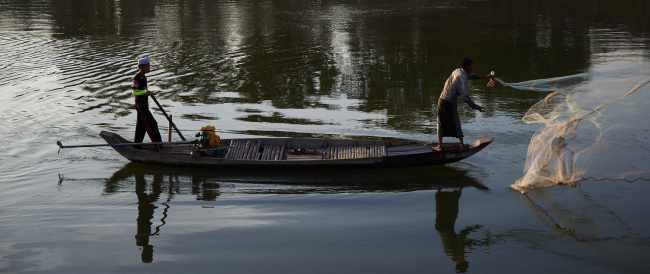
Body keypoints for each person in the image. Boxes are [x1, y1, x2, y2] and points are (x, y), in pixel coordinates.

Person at [432, 58, 493, 151]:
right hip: (449, 102)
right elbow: (465, 97)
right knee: (455, 122)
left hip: (441, 100)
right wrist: (477, 107)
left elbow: (471, 75)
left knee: (440, 123)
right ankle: (461, 145)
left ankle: (440, 146)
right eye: (471, 66)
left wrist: (484, 77)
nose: (472, 68)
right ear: (466, 67)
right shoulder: (461, 78)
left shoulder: (457, 71)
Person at [132, 58, 163, 149]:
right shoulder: (137, 77)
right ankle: (158, 146)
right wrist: (144, 92)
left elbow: (142, 91)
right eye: (147, 66)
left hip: (144, 105)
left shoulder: (144, 77)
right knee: (152, 124)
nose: (149, 68)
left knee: (141, 127)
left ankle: (136, 146)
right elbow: (134, 91)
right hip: (141, 106)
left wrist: (149, 93)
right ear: (141, 67)